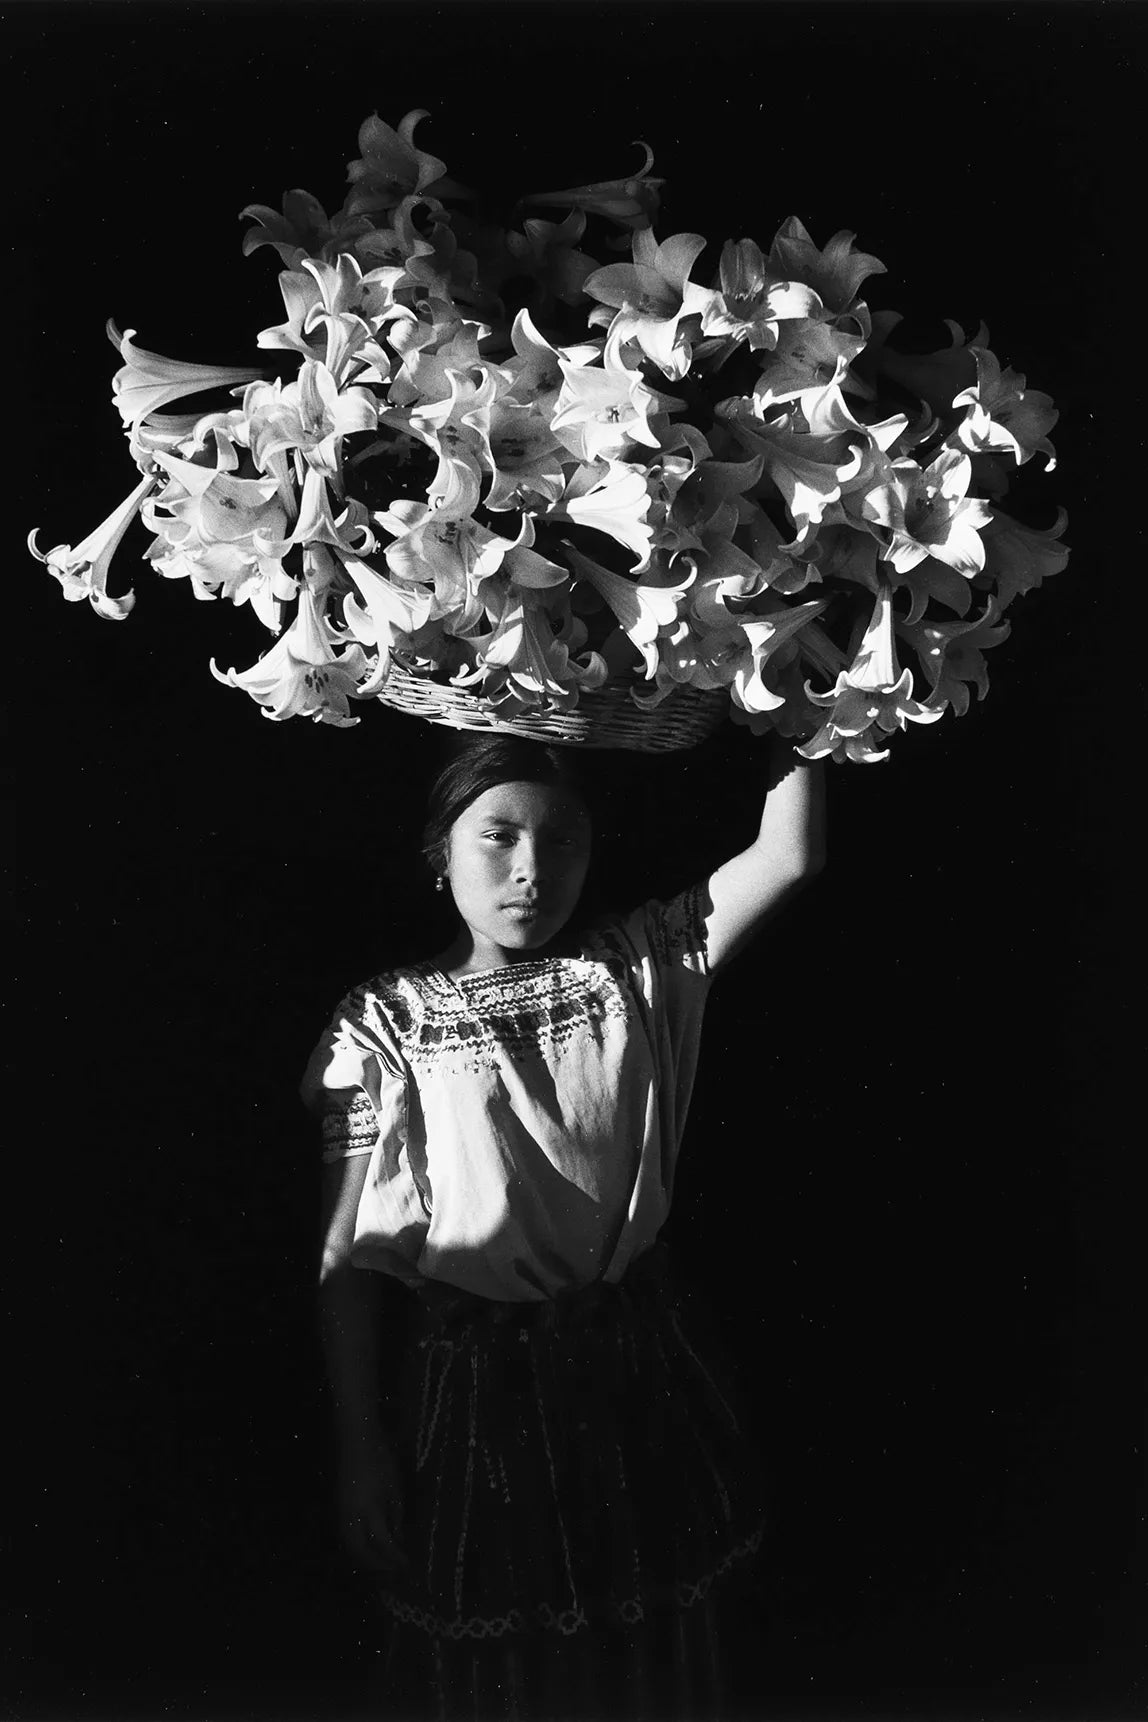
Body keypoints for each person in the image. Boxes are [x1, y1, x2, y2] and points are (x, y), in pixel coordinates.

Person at [300, 730, 826, 1721]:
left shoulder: (633, 969)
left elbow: (787, 856)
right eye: (498, 836)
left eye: (563, 841)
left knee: (650, 1657)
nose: (531, 869)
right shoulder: (384, 1022)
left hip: (636, 1372)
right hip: (477, 1398)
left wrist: (792, 690)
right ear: (438, 853)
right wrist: (359, 1442)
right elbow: (344, 1257)